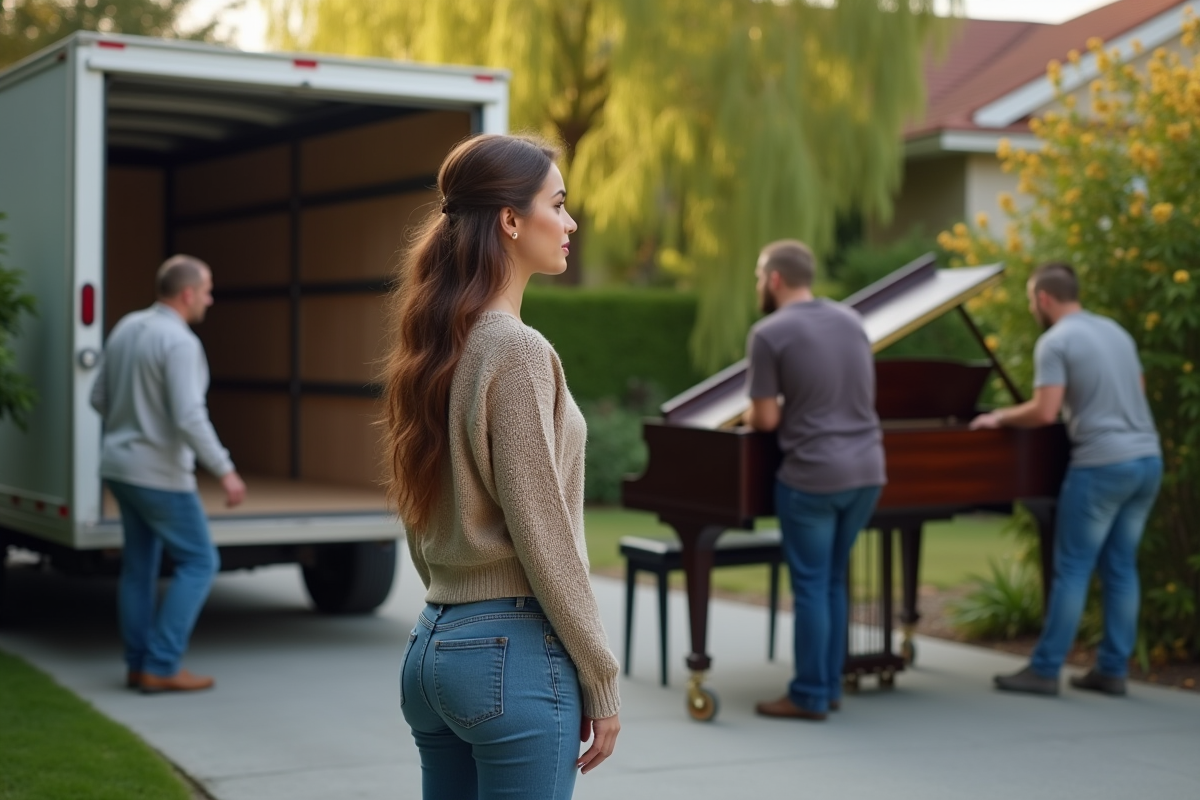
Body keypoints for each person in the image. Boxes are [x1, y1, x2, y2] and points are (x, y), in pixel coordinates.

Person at [382, 134, 620, 798]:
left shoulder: (434, 345)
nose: (570, 223)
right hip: (510, 656)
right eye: (559, 204)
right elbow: (541, 532)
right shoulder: (514, 349)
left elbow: (418, 510)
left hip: (433, 645)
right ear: (511, 221)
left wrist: (454, 601)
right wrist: (599, 673)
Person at [972, 262, 1162, 697]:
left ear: (1043, 299)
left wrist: (997, 416)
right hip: (1147, 460)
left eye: (1029, 302)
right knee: (1120, 567)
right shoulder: (1116, 332)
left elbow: (1044, 411)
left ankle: (1044, 669)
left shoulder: (1055, 341)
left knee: (1073, 567)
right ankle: (1112, 670)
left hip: (1101, 465)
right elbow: (1138, 390)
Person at [744, 240, 886, 721]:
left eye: (760, 276)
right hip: (868, 471)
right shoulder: (851, 320)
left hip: (813, 477)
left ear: (776, 279)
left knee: (810, 584)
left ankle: (808, 694)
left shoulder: (768, 333)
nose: (759, 285)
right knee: (832, 579)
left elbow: (764, 420)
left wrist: (758, 407)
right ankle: (827, 687)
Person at [90, 254, 246, 694]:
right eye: (208, 289)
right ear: (187, 293)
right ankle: (161, 664)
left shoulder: (126, 328)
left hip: (119, 467)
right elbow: (189, 416)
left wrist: (132, 423)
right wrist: (225, 470)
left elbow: (98, 396)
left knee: (139, 568)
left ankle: (138, 665)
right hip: (159, 474)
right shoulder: (179, 342)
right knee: (200, 561)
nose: (211, 299)